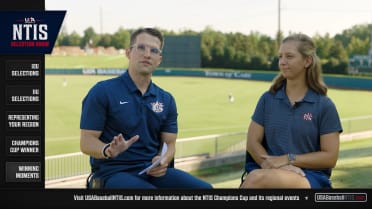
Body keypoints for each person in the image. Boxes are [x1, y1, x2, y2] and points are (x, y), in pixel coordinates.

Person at [80, 27, 212, 189]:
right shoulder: (102, 91)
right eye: (141, 48)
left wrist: (162, 159)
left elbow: (169, 143)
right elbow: (86, 142)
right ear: (128, 53)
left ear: (159, 59)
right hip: (112, 173)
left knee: (206, 190)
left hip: (152, 172)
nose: (147, 54)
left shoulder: (166, 99)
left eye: (154, 50)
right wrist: (107, 149)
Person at [240, 33, 342, 189]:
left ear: (307, 61)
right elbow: (252, 142)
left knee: (255, 179)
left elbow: (330, 157)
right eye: (280, 57)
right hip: (267, 171)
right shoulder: (268, 99)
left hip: (309, 177)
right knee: (256, 178)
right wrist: (274, 166)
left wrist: (288, 159)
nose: (282, 62)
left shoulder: (324, 105)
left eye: (289, 56)